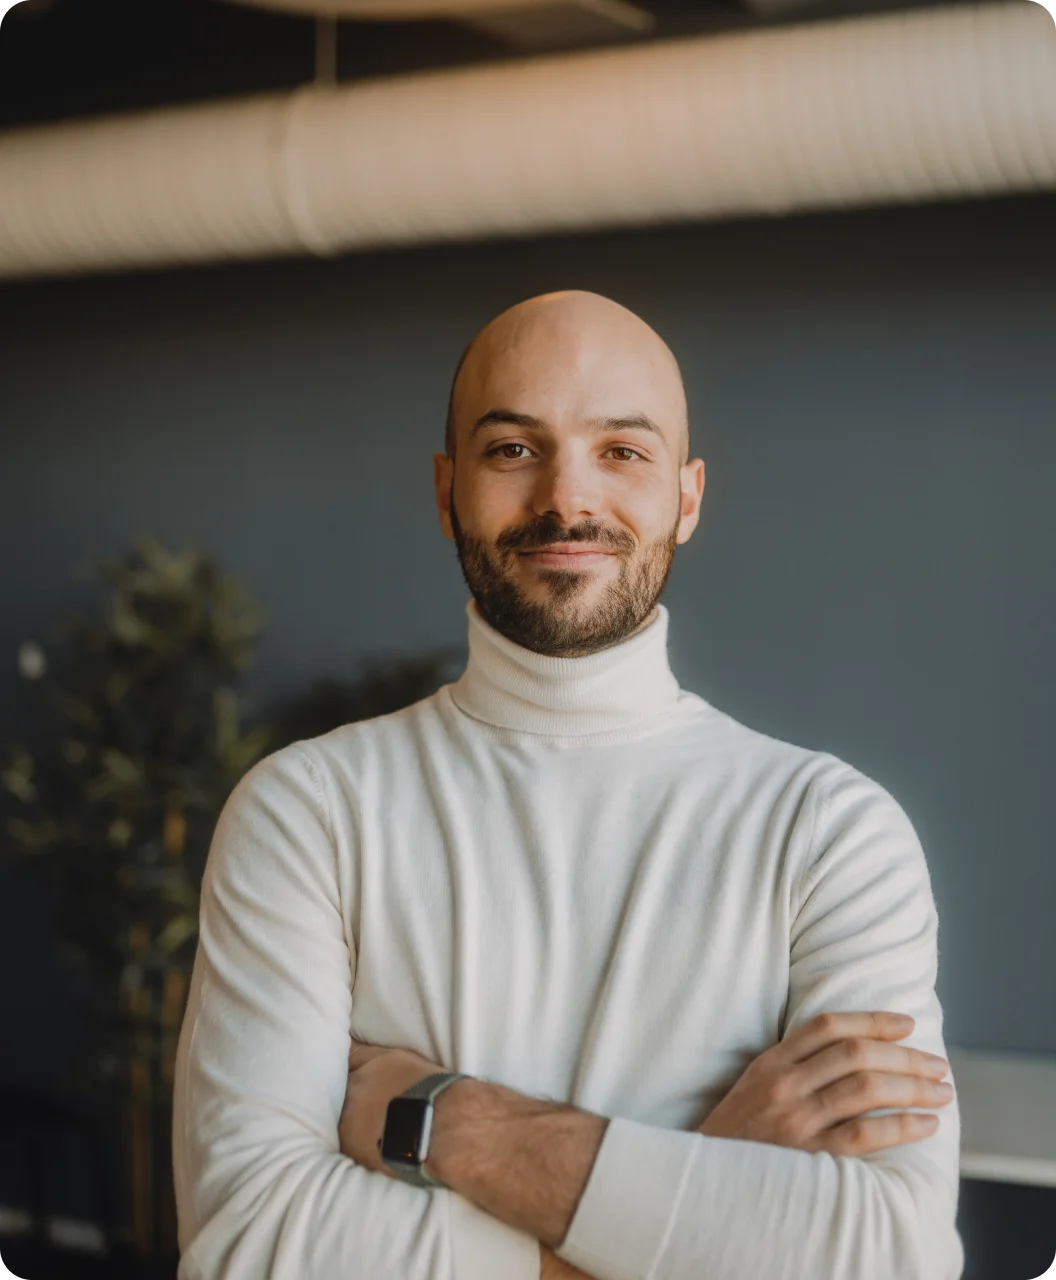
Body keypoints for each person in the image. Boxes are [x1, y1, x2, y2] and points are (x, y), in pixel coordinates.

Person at [172, 290, 963, 1280]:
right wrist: (706, 1191)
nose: (566, 500)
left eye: (622, 450)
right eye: (513, 448)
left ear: (688, 494)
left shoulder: (830, 831)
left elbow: (894, 1254)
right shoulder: (307, 811)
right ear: (446, 488)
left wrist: (449, 1118)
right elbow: (248, 1246)